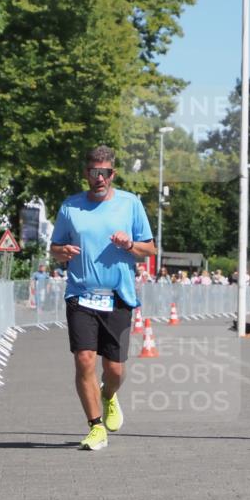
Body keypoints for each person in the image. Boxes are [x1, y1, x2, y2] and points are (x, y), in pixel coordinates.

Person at [50, 145, 156, 451]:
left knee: (114, 370)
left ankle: (108, 395)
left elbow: (150, 249)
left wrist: (130, 243)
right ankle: (95, 427)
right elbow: (55, 248)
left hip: (118, 296)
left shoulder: (130, 204)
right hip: (80, 294)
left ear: (113, 174)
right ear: (86, 173)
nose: (100, 178)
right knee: (84, 360)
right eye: (94, 172)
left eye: (105, 172)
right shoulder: (70, 208)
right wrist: (63, 252)